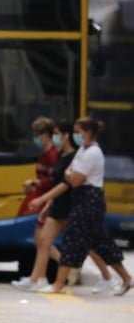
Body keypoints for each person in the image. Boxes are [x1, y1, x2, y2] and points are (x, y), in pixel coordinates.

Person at [28, 118, 132, 295]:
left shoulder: (92, 153)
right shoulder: (82, 151)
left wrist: (70, 175)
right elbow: (70, 173)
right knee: (99, 242)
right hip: (82, 199)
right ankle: (125, 278)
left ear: (88, 132)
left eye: (78, 132)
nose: (76, 136)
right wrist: (71, 174)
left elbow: (75, 180)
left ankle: (58, 284)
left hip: (89, 200)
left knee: (72, 239)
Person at [11, 120, 111, 292]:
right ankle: (35, 280)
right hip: (58, 203)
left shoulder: (77, 154)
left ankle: (108, 276)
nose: (55, 138)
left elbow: (68, 182)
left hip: (71, 203)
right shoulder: (64, 155)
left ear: (66, 136)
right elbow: (62, 179)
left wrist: (43, 199)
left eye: (58, 134)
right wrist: (48, 202)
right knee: (44, 241)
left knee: (87, 244)